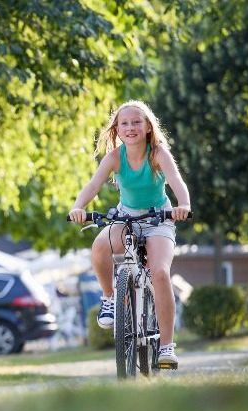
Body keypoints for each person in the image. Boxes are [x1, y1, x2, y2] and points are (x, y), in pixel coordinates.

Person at [68, 100, 191, 367]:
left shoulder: (158, 153)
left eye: (137, 122)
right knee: (100, 247)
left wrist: (184, 205)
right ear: (117, 130)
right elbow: (94, 185)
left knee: (159, 273)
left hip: (159, 217)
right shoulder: (114, 157)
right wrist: (78, 207)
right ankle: (110, 298)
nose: (131, 127)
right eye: (125, 123)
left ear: (148, 127)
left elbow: (176, 181)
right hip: (126, 215)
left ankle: (167, 347)